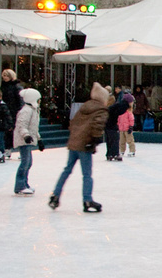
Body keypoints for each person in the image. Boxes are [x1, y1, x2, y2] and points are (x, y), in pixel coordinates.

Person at [49, 83, 109, 213]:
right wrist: (94, 139)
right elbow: (98, 126)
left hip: (74, 144)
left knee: (67, 170)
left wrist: (75, 137)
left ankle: (55, 195)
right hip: (84, 145)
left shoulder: (84, 107)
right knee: (87, 174)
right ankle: (87, 199)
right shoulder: (101, 110)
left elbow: (73, 123)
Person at [13, 88, 43, 195]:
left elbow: (34, 128)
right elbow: (22, 125)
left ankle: (24, 184)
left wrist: (39, 140)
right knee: (25, 163)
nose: (40, 101)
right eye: (38, 99)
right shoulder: (26, 111)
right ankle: (20, 186)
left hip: (28, 139)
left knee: (28, 163)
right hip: (24, 140)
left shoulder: (33, 110)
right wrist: (26, 136)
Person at [0, 69, 23, 158]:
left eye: (6, 75)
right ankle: (7, 149)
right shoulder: (3, 86)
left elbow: (20, 100)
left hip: (14, 111)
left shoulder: (16, 86)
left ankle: (21, 151)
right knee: (7, 132)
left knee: (17, 131)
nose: (4, 77)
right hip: (5, 111)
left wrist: (19, 111)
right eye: (3, 76)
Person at [105, 91, 131, 161]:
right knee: (115, 139)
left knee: (110, 139)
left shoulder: (116, 105)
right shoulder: (120, 106)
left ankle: (110, 154)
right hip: (111, 124)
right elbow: (116, 114)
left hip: (108, 124)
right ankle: (114, 154)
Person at [118, 93, 136, 157]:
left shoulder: (129, 111)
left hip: (127, 128)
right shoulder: (121, 111)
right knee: (121, 141)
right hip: (121, 128)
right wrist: (118, 125)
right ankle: (121, 150)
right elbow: (119, 119)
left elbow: (131, 119)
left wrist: (131, 126)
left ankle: (132, 150)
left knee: (130, 140)